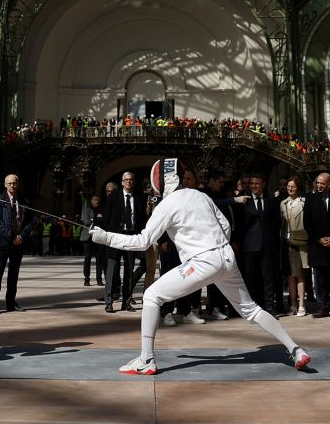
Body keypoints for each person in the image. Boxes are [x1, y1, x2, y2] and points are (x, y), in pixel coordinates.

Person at [88, 157, 310, 375]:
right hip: (226, 257)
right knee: (250, 309)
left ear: (162, 181)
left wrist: (105, 237)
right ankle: (296, 350)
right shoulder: (200, 195)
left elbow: (142, 241)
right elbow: (224, 224)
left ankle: (146, 359)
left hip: (203, 261)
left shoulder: (166, 205)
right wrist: (215, 248)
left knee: (151, 296)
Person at [303, 172, 330, 318]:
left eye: (323, 183)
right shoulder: (310, 199)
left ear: (329, 183)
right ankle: (322, 306)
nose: (319, 185)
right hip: (317, 245)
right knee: (319, 277)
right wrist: (318, 239)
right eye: (318, 183)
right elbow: (307, 223)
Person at [0, 173, 34, 314]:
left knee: (13, 275)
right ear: (5, 185)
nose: (12, 186)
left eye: (14, 183)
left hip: (18, 243)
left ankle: (10, 302)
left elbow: (31, 221)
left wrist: (21, 236)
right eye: (9, 183)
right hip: (2, 243)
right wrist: (11, 237)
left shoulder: (24, 201)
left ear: (18, 184)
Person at [236, 174, 280, 313]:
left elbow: (276, 223)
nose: (254, 186)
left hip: (267, 246)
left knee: (268, 278)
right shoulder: (244, 202)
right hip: (250, 246)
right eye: (252, 183)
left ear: (263, 185)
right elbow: (239, 224)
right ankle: (253, 307)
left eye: (257, 183)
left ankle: (269, 307)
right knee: (251, 278)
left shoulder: (271, 201)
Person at [102, 171, 145, 313]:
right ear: (122, 182)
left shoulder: (139, 198)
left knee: (129, 270)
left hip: (131, 237)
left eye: (131, 180)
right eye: (126, 180)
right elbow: (106, 217)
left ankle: (126, 302)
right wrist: (108, 235)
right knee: (112, 270)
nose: (128, 182)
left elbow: (141, 220)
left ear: (134, 182)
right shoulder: (113, 197)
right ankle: (108, 302)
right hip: (115, 237)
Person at [280, 175, 308, 316]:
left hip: (300, 242)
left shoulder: (303, 202)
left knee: (300, 275)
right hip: (286, 242)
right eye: (288, 186)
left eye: (293, 186)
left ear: (298, 188)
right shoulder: (283, 203)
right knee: (290, 275)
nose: (290, 189)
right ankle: (293, 304)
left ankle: (302, 304)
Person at [81, 193, 104, 286]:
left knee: (99, 259)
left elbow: (104, 221)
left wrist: (94, 220)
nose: (97, 201)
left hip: (98, 237)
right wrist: (97, 219)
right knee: (87, 258)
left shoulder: (102, 210)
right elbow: (86, 221)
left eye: (98, 200)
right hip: (87, 237)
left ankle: (99, 279)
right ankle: (87, 279)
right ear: (91, 201)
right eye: (95, 199)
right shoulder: (86, 210)